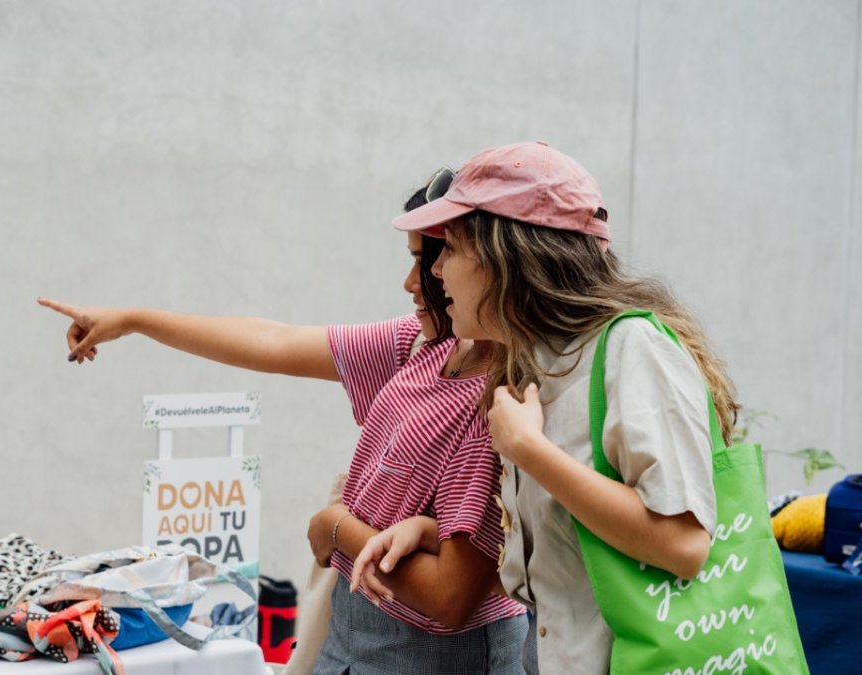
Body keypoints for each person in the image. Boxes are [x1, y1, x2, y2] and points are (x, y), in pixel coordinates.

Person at [38, 169, 526, 674]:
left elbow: (452, 596)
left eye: (430, 260)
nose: (414, 281)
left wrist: (336, 527)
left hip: (437, 651)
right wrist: (134, 320)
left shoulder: (501, 400)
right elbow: (272, 341)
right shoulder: (425, 346)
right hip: (354, 624)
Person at [352, 141, 733, 673]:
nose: (437, 275)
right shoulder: (536, 364)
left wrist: (530, 452)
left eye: (452, 251)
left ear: (505, 258)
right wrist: (433, 531)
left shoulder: (630, 347)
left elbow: (684, 542)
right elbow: (578, 534)